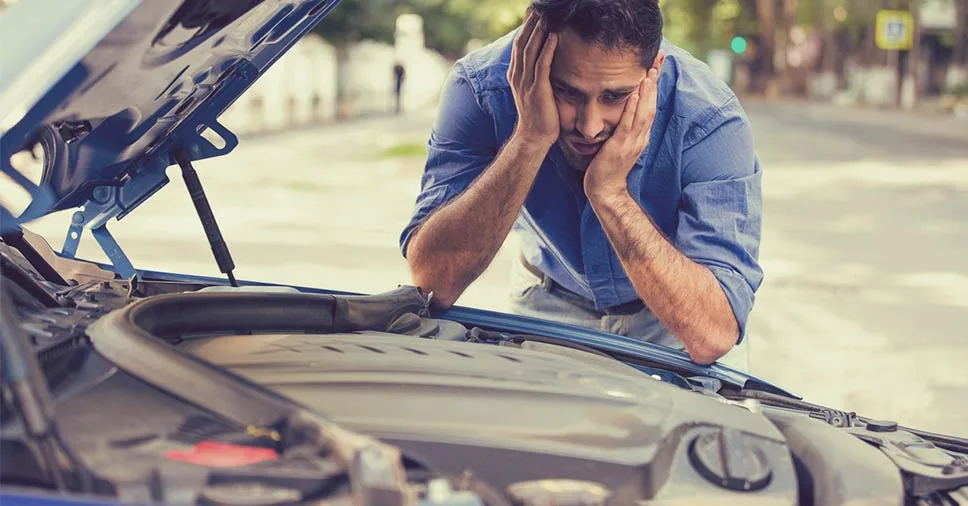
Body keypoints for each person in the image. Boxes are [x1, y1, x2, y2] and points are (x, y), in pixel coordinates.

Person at [399, 0, 763, 369]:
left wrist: (611, 196)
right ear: (533, 51)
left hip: (672, 317)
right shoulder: (481, 89)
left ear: (654, 67)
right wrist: (529, 139)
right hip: (545, 303)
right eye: (568, 92)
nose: (589, 127)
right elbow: (432, 283)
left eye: (615, 96)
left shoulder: (709, 117)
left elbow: (711, 334)